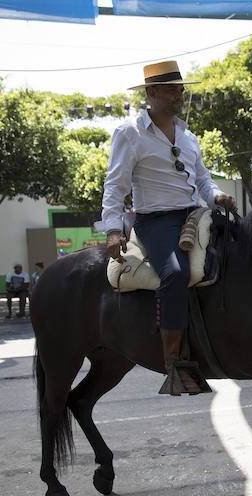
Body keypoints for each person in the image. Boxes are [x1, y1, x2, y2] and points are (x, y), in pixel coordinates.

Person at [97, 60, 237, 395]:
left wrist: (217, 195)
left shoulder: (188, 135)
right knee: (174, 274)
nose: (180, 94)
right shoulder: (129, 133)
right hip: (156, 221)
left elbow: (203, 178)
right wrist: (113, 229)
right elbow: (115, 186)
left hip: (195, 215)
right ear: (152, 92)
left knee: (238, 253)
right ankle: (174, 364)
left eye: (181, 88)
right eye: (173, 89)